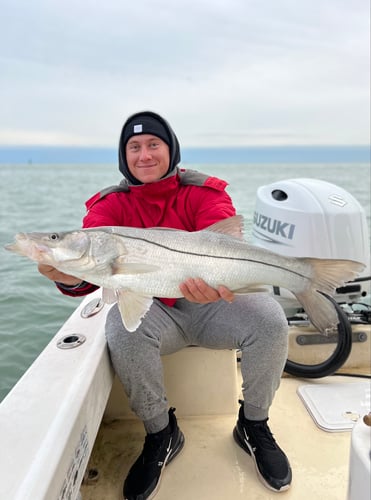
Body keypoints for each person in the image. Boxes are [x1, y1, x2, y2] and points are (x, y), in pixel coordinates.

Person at [38, 111, 292, 499]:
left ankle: (253, 424)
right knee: (122, 329)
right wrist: (67, 277)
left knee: (270, 318)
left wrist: (223, 285)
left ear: (170, 149)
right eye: (134, 147)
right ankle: (161, 433)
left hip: (210, 308)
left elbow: (228, 246)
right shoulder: (109, 208)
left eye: (153, 144)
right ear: (124, 157)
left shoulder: (205, 192)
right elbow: (91, 272)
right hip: (157, 312)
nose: (144, 155)